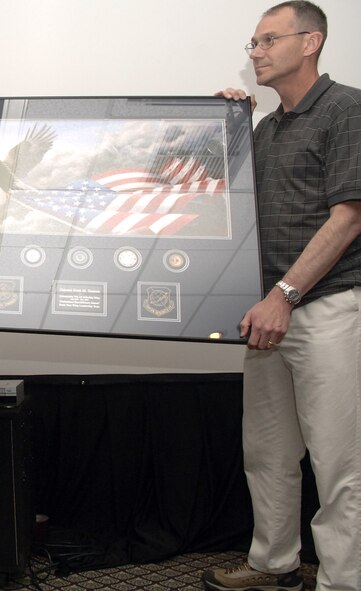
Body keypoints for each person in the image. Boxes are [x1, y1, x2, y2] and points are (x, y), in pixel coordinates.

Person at [205, 2, 361, 590]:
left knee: (341, 466)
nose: (256, 52)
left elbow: (348, 217)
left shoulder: (347, 109)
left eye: (268, 40)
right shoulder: (268, 128)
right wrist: (223, 131)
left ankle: (344, 582)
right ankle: (275, 565)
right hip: (270, 319)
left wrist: (285, 295)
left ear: (311, 41)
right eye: (253, 43)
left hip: (326, 310)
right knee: (268, 454)